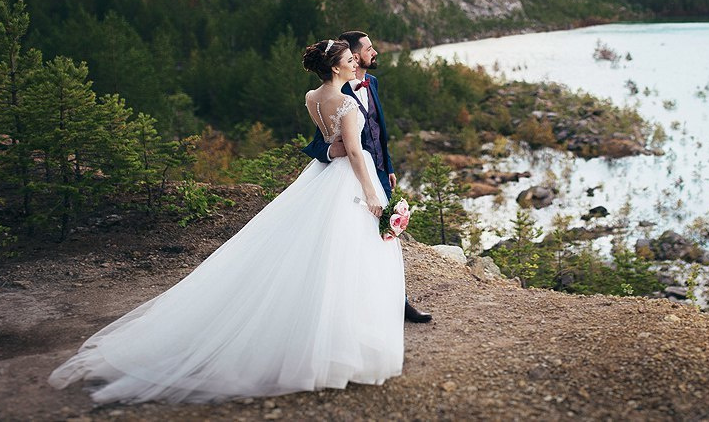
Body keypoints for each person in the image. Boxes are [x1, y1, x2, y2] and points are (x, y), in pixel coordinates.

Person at [48, 40, 404, 404]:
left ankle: (329, 339)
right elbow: (356, 152)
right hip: (346, 182)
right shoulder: (345, 102)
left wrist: (335, 148)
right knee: (346, 257)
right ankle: (338, 347)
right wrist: (372, 194)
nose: (354, 62)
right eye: (348, 60)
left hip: (320, 179)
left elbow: (331, 140)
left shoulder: (312, 97)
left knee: (316, 253)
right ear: (335, 67)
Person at [303, 30, 432, 324]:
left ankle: (396, 302)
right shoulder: (335, 93)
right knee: (362, 243)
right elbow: (321, 143)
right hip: (351, 180)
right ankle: (374, 307)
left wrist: (388, 167)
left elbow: (378, 129)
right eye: (369, 48)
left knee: (382, 240)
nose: (375, 52)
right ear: (353, 57)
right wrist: (332, 153)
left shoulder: (371, 82)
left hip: (376, 172)